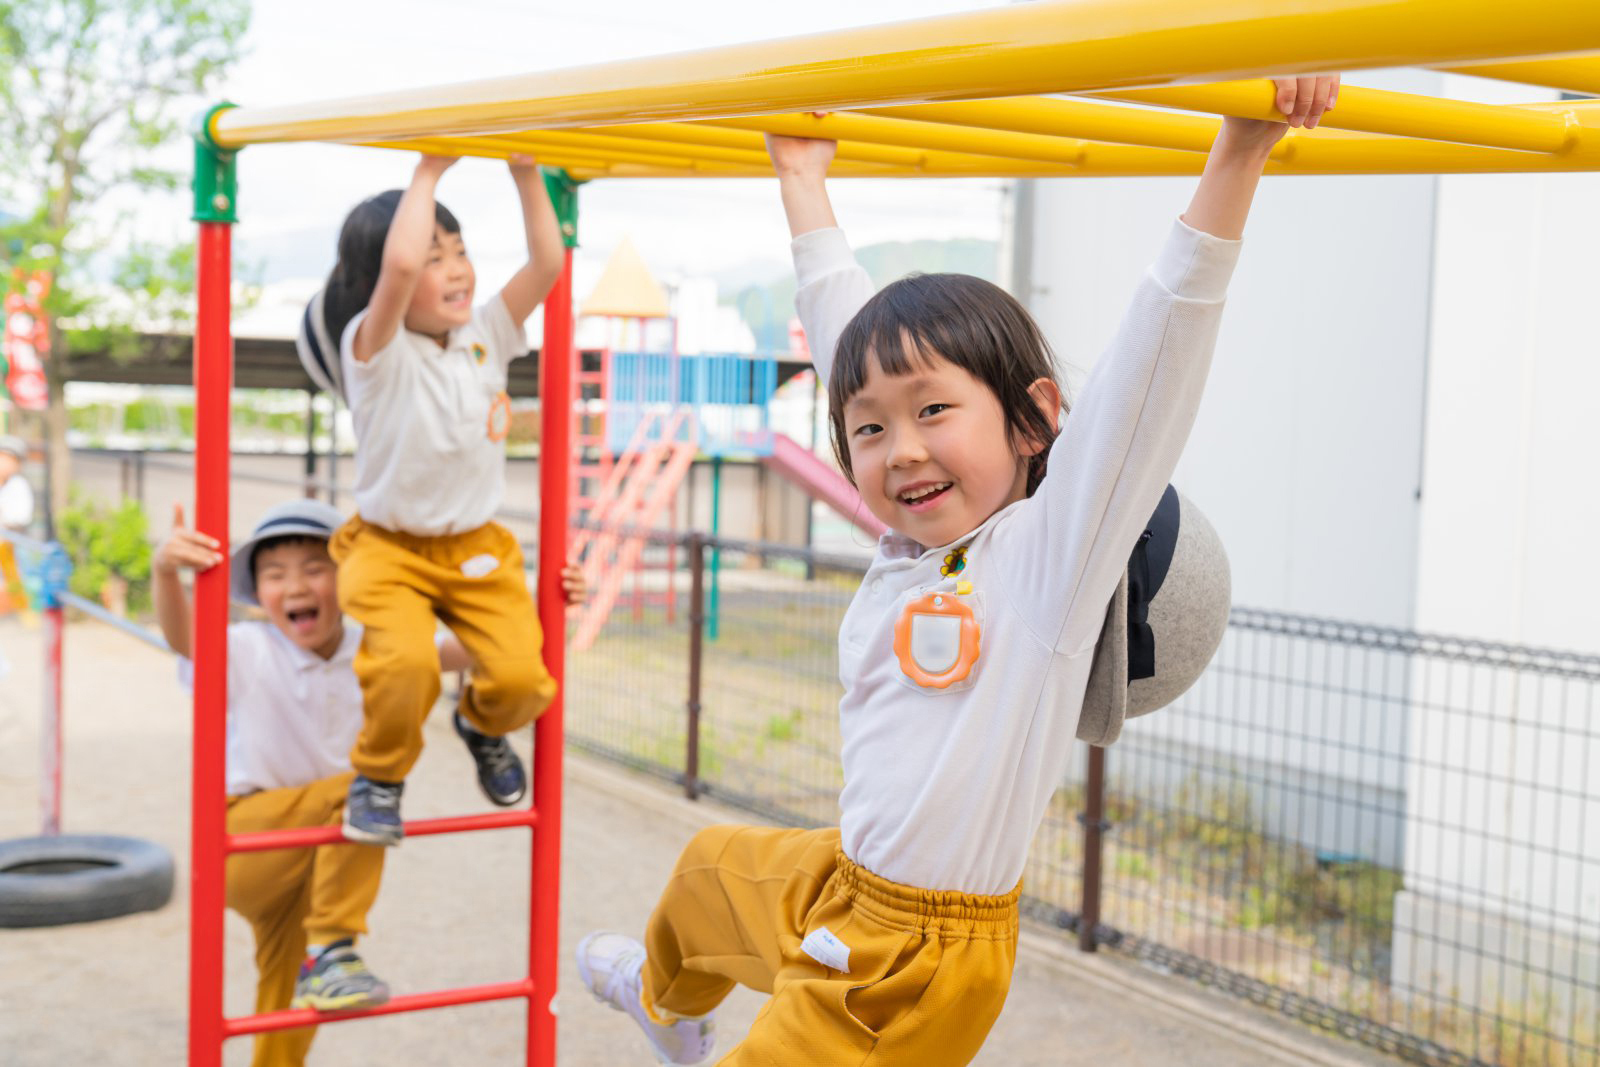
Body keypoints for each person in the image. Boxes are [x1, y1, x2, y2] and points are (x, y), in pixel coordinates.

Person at [575, 76, 1340, 1066]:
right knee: (710, 869)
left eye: (935, 411)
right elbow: (846, 331)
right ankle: (664, 998)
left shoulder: (1043, 567)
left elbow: (1152, 372)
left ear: (1033, 421)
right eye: (870, 428)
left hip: (914, 959)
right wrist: (800, 182)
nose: (901, 449)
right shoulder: (909, 546)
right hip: (843, 880)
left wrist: (1237, 149)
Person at [154, 499, 585, 1065]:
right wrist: (166, 572)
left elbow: (485, 646)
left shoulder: (379, 649)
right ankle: (334, 946)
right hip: (250, 839)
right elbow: (187, 640)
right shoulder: (250, 650)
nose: (295, 586)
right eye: (275, 575)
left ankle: (318, 967)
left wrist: (549, 605)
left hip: (325, 854)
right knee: (365, 789)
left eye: (314, 569)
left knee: (287, 993)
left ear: (350, 579)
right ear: (259, 594)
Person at [311, 151, 567, 845]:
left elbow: (547, 264)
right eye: (434, 256)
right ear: (385, 280)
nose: (455, 269)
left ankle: (480, 723)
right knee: (404, 665)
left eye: (460, 251)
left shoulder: (487, 333)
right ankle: (381, 774)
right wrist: (428, 172)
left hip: (475, 545)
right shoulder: (374, 349)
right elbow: (394, 271)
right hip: (388, 546)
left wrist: (524, 171)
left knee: (521, 677)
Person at [0, 434, 34, 614]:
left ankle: (26, 618)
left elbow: (20, 517)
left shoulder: (18, 486)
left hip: (9, 550)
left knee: (18, 595)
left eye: (10, 459)